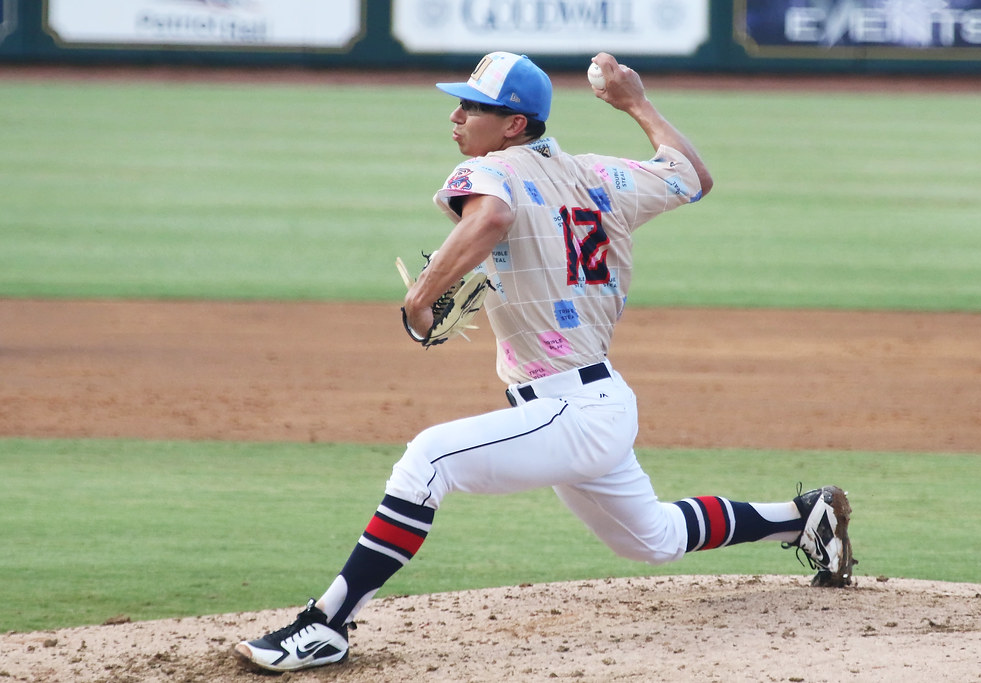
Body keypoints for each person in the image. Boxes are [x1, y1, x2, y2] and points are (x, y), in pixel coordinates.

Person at [234, 51, 855, 673]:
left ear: (512, 124)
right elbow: (693, 176)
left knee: (429, 458)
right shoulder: (598, 176)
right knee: (653, 540)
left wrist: (420, 297)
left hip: (571, 410)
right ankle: (802, 519)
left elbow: (495, 215)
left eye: (473, 107)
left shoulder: (494, 171)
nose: (455, 116)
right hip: (593, 404)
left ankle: (327, 626)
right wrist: (635, 102)